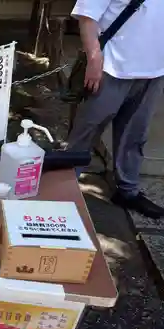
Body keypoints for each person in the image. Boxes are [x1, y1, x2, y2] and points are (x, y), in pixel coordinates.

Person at [67, 0, 164, 219]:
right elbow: (87, 15)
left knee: (135, 135)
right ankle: (66, 187)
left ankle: (127, 191)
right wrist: (93, 57)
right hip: (111, 66)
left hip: (154, 70)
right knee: (87, 131)